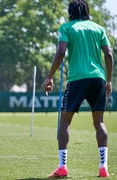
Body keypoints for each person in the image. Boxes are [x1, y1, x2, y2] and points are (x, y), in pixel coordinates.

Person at [43, 0, 113, 178]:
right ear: (87, 11)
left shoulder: (66, 28)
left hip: (77, 79)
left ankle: (62, 167)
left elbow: (60, 52)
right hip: (98, 78)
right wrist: (109, 80)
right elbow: (109, 54)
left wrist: (49, 76)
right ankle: (103, 168)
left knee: (64, 121)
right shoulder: (98, 28)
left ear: (70, 12)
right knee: (99, 122)